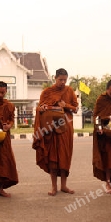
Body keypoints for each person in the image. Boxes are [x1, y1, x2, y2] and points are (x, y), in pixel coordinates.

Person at [32, 68, 78, 196]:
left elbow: (75, 108)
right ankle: (54, 187)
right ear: (55, 78)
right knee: (53, 157)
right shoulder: (47, 92)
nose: (62, 82)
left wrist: (66, 106)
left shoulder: (69, 91)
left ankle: (64, 185)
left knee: (64, 156)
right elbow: (40, 108)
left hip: (66, 128)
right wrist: (41, 108)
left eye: (65, 80)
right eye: (60, 80)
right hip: (50, 128)